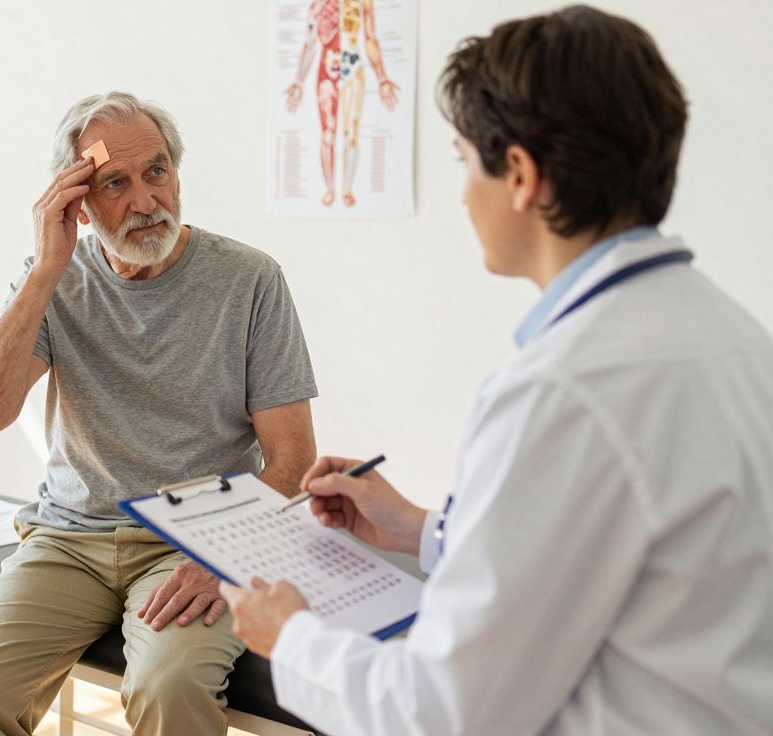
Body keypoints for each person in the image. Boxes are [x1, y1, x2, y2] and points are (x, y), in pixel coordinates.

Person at [222, 6, 773, 735]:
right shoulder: (735, 337)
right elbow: (627, 557)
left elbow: (442, 714)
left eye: (463, 161)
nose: (461, 194)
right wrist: (423, 530)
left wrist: (291, 636)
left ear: (519, 175)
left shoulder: (562, 390)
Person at [0, 91, 319, 735]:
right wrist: (46, 270)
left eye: (157, 171)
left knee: (169, 688)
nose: (146, 200)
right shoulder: (53, 279)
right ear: (78, 203)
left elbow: (293, 460)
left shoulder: (250, 279)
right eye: (115, 182)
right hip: (69, 539)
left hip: (197, 539)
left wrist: (223, 556)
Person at [284, 0, 398, 207]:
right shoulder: (318, 4)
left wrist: (382, 77)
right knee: (327, 133)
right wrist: (299, 80)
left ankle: (346, 188)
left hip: (352, 69)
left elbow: (370, 38)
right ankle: (330, 188)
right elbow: (309, 42)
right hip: (327, 68)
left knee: (350, 133)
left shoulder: (364, 3)